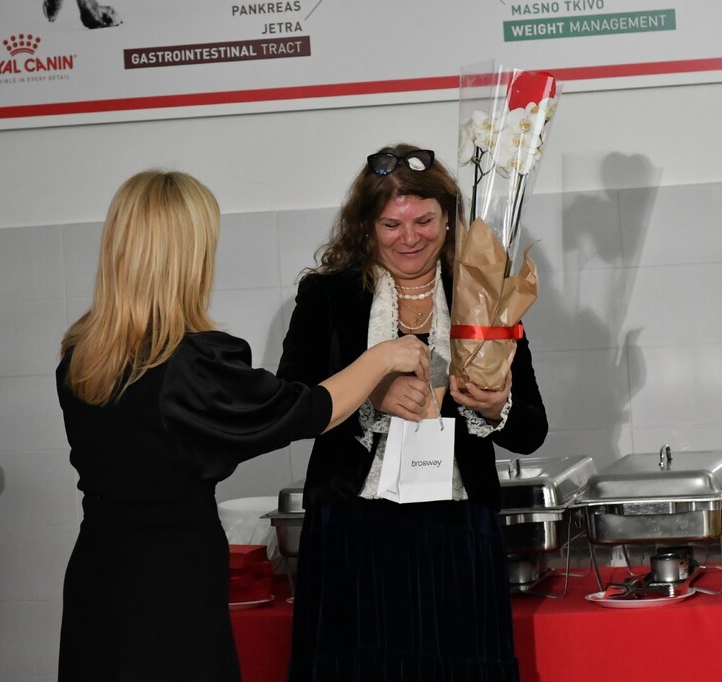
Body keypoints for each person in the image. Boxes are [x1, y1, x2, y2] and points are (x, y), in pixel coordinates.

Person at [55, 170, 428, 682]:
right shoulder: (186, 366)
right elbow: (309, 410)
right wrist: (383, 357)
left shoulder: (82, 353)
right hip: (169, 583)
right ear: (187, 257)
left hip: (97, 570)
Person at [278, 144, 548, 681]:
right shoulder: (328, 295)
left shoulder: (484, 294)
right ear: (366, 226)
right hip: (353, 532)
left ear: (448, 219)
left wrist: (496, 405)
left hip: (457, 532)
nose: (409, 238)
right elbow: (290, 402)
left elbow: (532, 429)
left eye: (424, 221)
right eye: (391, 224)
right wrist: (368, 390)